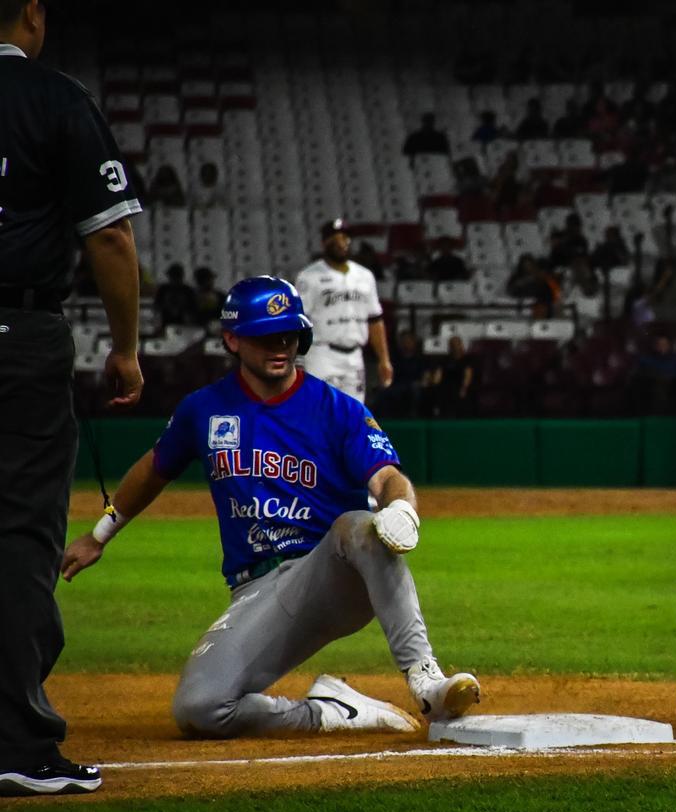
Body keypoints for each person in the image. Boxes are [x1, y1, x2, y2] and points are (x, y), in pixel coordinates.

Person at [60, 276, 482, 738]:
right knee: (200, 709)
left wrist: (403, 508)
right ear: (232, 339)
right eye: (266, 337)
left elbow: (386, 477)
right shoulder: (204, 409)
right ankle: (331, 711)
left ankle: (426, 680)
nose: (280, 346)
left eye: (289, 335)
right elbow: (154, 468)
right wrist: (99, 534)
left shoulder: (334, 408)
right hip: (257, 591)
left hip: (331, 573)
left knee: (359, 524)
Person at [0, 0, 144, 797]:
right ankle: (16, 743)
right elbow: (111, 237)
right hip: (18, 335)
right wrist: (125, 350)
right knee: (20, 533)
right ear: (32, 15)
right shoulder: (55, 99)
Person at [295, 218, 393, 403]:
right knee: (321, 414)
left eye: (345, 238)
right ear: (325, 242)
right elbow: (300, 321)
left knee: (353, 415)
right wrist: (298, 359)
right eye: (335, 238)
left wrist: (384, 359)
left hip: (355, 354)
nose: (341, 243)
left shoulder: (364, 276)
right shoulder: (309, 277)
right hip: (321, 353)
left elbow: (375, 319)